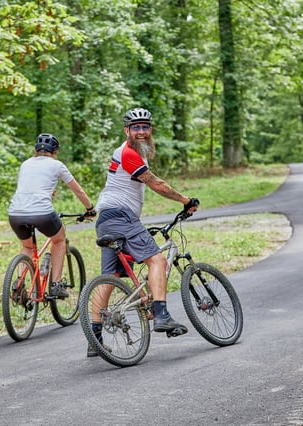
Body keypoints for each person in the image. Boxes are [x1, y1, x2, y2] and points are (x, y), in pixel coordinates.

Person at [88, 107, 199, 357]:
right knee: (157, 259)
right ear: (126, 130)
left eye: (145, 127)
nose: (140, 131)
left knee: (111, 277)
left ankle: (94, 339)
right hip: (121, 216)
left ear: (150, 130)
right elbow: (157, 184)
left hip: (106, 219)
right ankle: (161, 314)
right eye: (135, 127)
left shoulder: (133, 152)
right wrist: (185, 201)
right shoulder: (128, 153)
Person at [8, 133, 96, 299]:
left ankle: (19, 283)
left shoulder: (25, 164)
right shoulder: (57, 165)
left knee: (27, 246)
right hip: (42, 213)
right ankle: (56, 284)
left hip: (15, 213)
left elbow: (30, 187)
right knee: (59, 239)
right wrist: (90, 208)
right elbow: (78, 190)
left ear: (36, 150)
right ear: (55, 151)